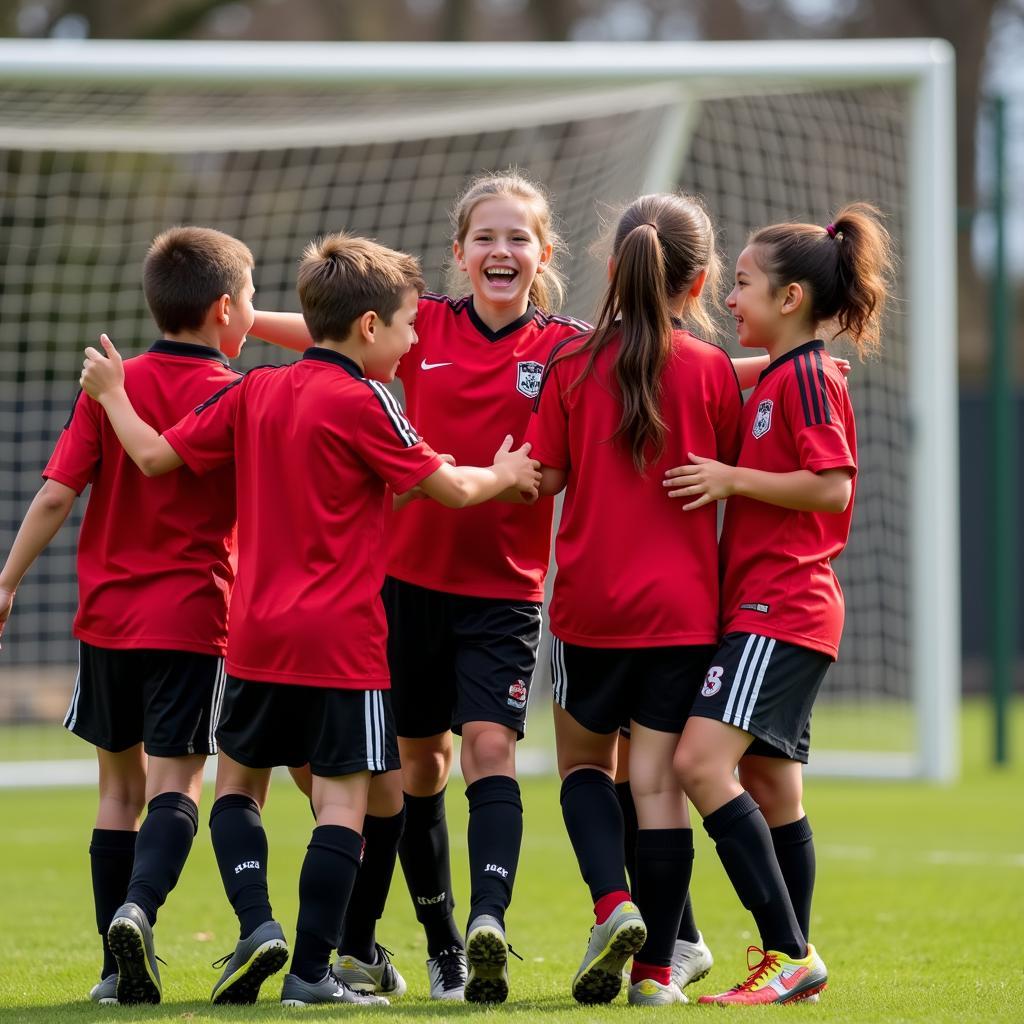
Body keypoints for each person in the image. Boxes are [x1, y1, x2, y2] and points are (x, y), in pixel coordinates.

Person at [79, 232, 541, 1008]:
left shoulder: (251, 389)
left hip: (254, 634)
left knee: (235, 792)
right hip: (342, 643)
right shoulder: (368, 403)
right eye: (406, 323)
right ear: (368, 328)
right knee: (344, 803)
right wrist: (505, 471)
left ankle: (254, 923)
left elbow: (155, 458)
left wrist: (113, 394)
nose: (416, 337)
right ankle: (313, 972)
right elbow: (451, 490)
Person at [250, 171, 589, 1004]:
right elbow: (324, 332)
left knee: (489, 750)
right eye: (486, 237)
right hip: (401, 586)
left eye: (518, 238)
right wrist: (239, 320)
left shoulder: (570, 345)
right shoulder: (422, 323)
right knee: (413, 769)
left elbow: (666, 357)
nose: (501, 250)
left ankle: (489, 925)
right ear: (458, 253)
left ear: (543, 253)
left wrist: (785, 357)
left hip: (504, 591)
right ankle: (438, 942)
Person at [0, 227, 253, 1005]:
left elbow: (53, 494)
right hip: (192, 620)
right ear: (223, 310)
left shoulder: (112, 382)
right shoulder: (238, 396)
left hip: (105, 620)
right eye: (248, 299)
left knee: (118, 790)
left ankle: (114, 973)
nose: (252, 313)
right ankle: (138, 915)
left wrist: (6, 582)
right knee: (180, 782)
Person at [667, 203, 893, 1005]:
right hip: (776, 608)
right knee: (771, 786)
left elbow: (831, 487)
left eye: (744, 284)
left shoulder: (803, 379)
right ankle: (791, 964)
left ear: (791, 297)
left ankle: (788, 951)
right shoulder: (788, 374)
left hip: (781, 606)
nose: (730, 299)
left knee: (697, 763)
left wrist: (731, 479)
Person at [525, 193, 743, 1006]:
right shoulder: (714, 371)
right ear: (699, 283)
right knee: (656, 787)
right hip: (685, 616)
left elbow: (543, 478)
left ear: (612, 269)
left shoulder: (570, 366)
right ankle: (657, 974)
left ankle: (612, 905)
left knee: (584, 766)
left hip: (592, 611)